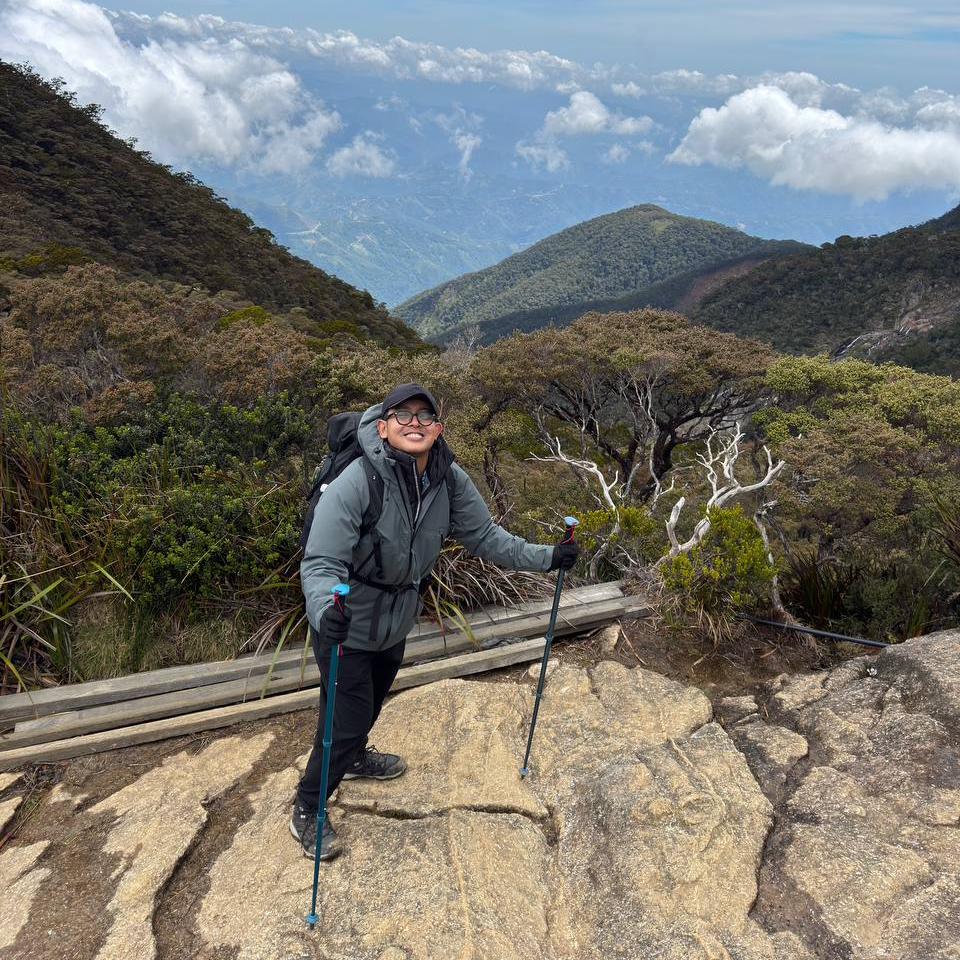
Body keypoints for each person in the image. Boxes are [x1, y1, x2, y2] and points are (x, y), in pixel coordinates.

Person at [290, 382, 579, 859]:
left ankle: (354, 756)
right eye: (402, 416)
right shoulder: (358, 480)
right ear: (382, 428)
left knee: (368, 703)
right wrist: (325, 609)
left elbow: (485, 536)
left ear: (439, 429)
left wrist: (548, 557)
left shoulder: (448, 479)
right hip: (346, 620)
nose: (414, 424)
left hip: (397, 619)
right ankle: (307, 806)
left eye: (425, 417)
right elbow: (321, 562)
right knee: (344, 718)